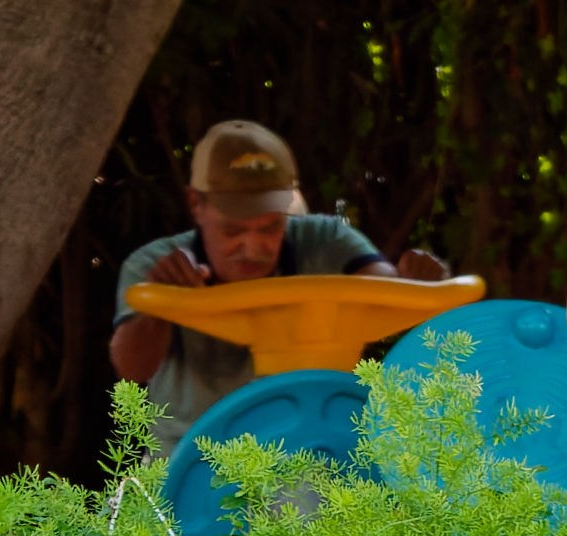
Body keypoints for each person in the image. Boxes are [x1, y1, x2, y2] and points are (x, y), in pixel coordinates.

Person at [110, 118, 452, 457]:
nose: (252, 247)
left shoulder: (324, 240)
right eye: (233, 231)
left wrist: (415, 281)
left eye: (270, 227)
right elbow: (132, 369)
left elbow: (385, 285)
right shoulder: (154, 265)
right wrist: (159, 306)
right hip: (190, 460)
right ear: (196, 204)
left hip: (305, 453)